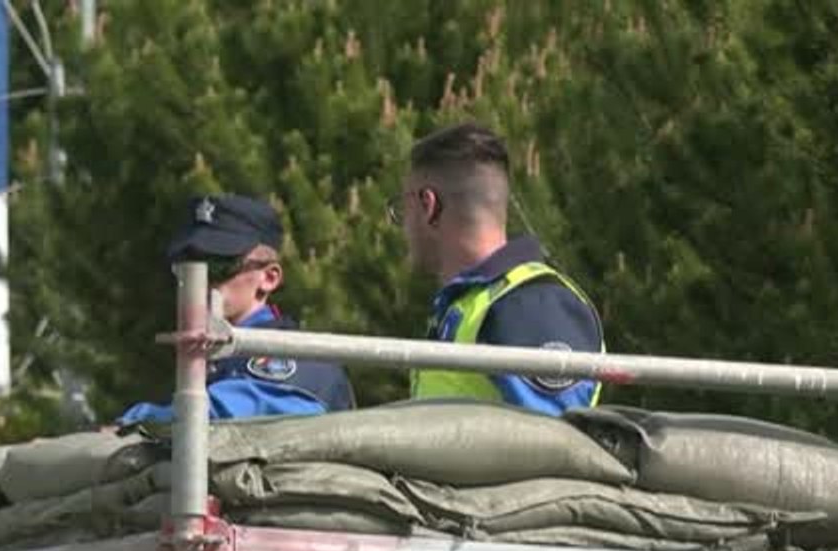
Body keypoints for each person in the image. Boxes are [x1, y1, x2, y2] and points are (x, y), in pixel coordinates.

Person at [391, 122, 605, 416]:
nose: (402, 227)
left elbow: (555, 447)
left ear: (429, 206)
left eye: (402, 210)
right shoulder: (474, 305)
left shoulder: (530, 304)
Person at [115, 194, 356, 426]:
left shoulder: (303, 358)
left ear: (269, 278)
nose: (201, 281)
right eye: (187, 266)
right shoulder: (212, 358)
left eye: (219, 266)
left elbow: (220, 415)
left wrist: (136, 420)